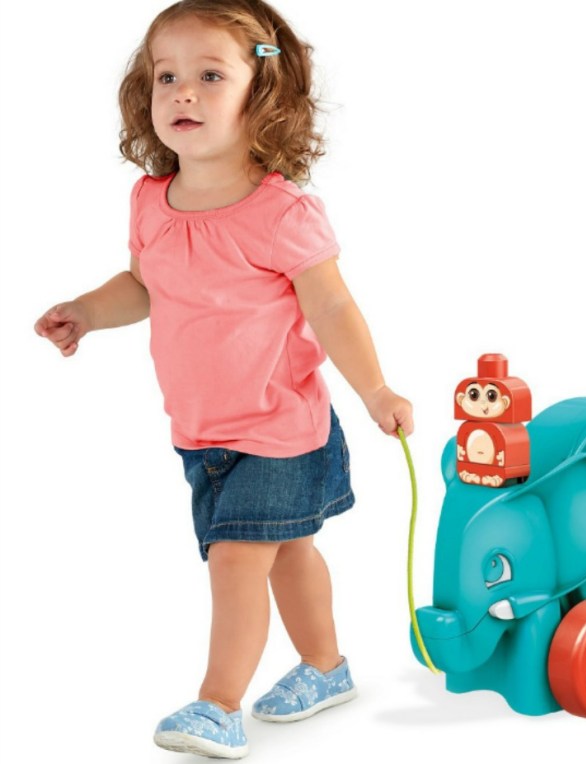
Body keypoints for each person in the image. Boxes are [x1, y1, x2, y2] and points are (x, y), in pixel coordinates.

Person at [33, 0, 412, 758]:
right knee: (289, 552)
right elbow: (144, 285)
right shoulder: (151, 201)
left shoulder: (280, 212)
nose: (183, 92)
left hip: (279, 427)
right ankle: (326, 667)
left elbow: (332, 306)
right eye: (166, 76)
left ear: (260, 93)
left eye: (211, 76)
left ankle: (219, 703)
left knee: (238, 559)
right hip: (201, 431)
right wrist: (87, 311)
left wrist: (375, 390)